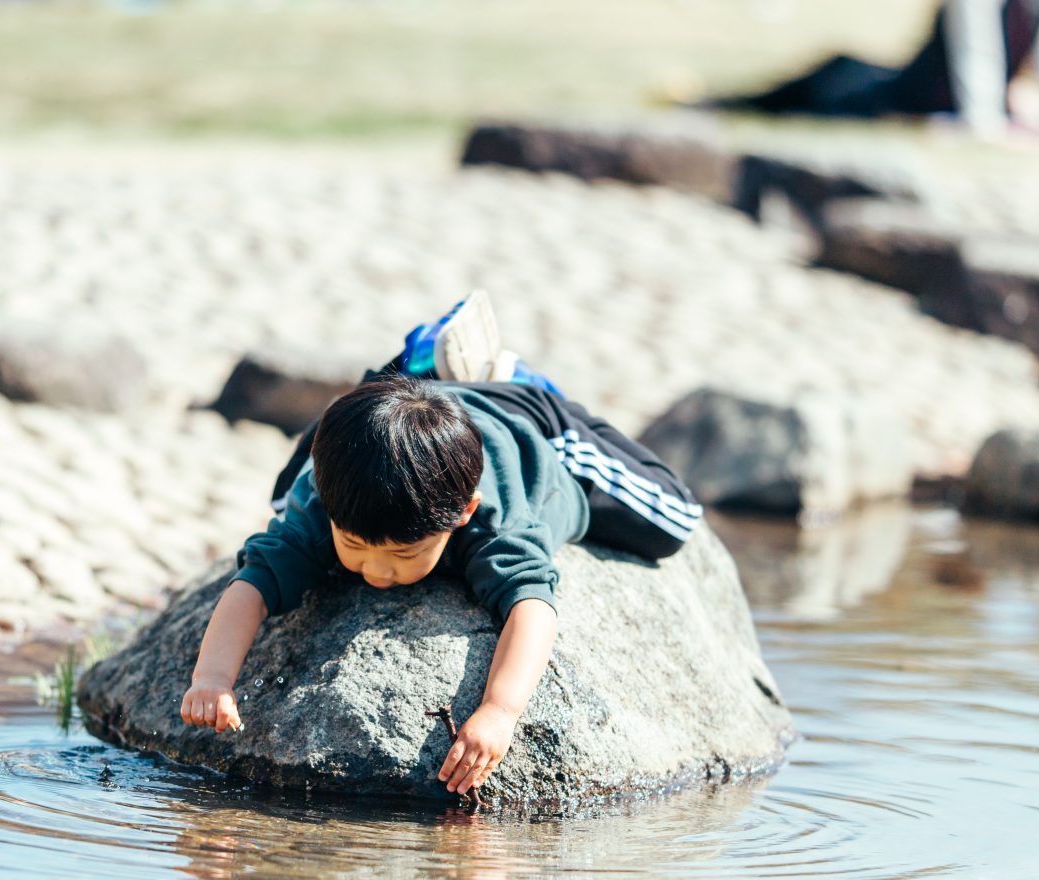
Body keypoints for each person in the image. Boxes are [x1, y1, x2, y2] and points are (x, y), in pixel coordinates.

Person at [178, 291, 702, 797]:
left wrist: (499, 711)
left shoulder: (495, 523)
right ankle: (416, 369)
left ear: (463, 515)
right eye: (355, 546)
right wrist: (213, 679)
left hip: (524, 421)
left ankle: (503, 377)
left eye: (403, 555)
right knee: (284, 496)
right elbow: (253, 583)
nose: (376, 573)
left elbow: (533, 606)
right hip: (397, 430)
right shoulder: (323, 501)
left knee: (673, 521)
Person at [711, 0, 1039, 134]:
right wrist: (983, 119)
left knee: (844, 76)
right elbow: (976, 51)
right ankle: (722, 104)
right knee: (834, 80)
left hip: (924, 100)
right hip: (915, 92)